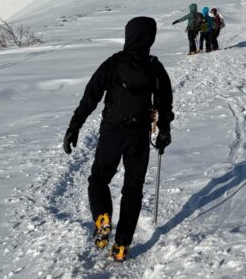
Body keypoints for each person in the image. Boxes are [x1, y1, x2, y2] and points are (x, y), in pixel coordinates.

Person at [62, 16, 173, 262]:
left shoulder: (113, 64)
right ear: (150, 38)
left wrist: (75, 126)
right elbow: (165, 103)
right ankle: (121, 245)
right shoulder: (155, 68)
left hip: (112, 132)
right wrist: (164, 130)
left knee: (99, 178)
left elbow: (90, 96)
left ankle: (102, 216)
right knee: (132, 190)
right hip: (139, 135)